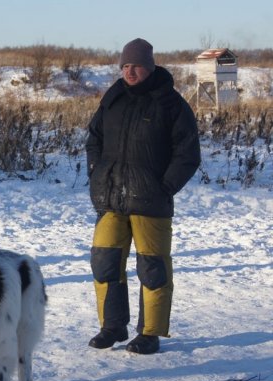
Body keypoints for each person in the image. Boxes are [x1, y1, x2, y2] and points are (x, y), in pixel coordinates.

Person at [85, 38, 200, 355]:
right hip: (111, 199)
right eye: (124, 66)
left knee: (153, 269)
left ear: (149, 67)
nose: (129, 71)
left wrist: (164, 187)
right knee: (104, 263)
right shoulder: (113, 99)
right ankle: (112, 326)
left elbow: (188, 154)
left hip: (151, 203)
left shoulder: (171, 104)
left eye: (135, 66)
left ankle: (149, 333)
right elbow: (93, 139)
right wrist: (96, 175)